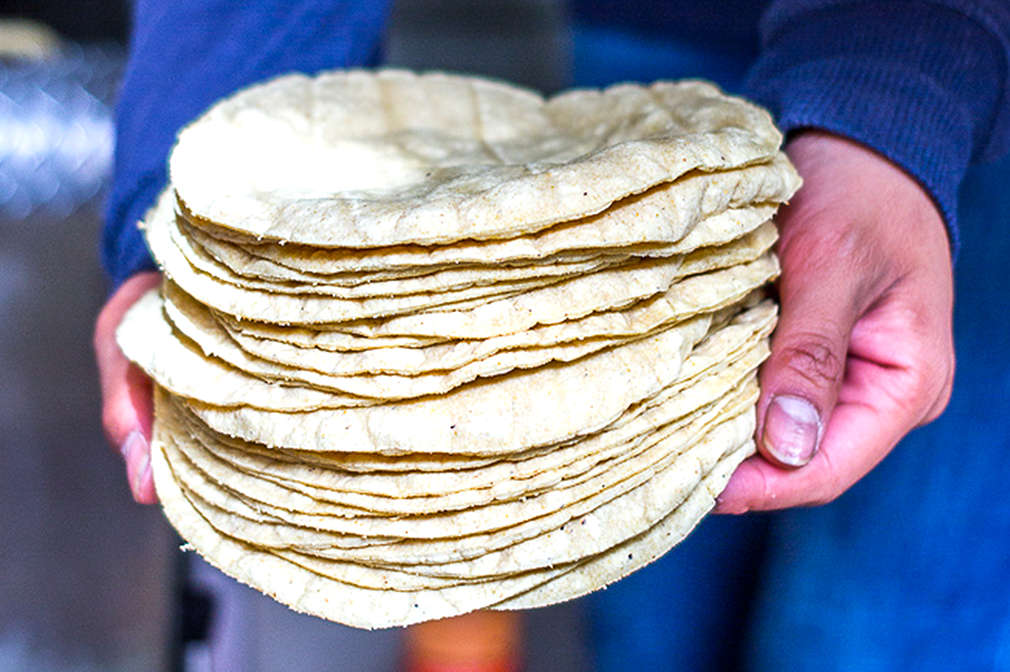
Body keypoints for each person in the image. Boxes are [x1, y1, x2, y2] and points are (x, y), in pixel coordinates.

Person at [94, 1, 1010, 669]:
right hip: (658, 53)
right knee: (654, 638)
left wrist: (900, 102)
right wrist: (199, 231)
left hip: (966, 90)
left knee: (876, 636)